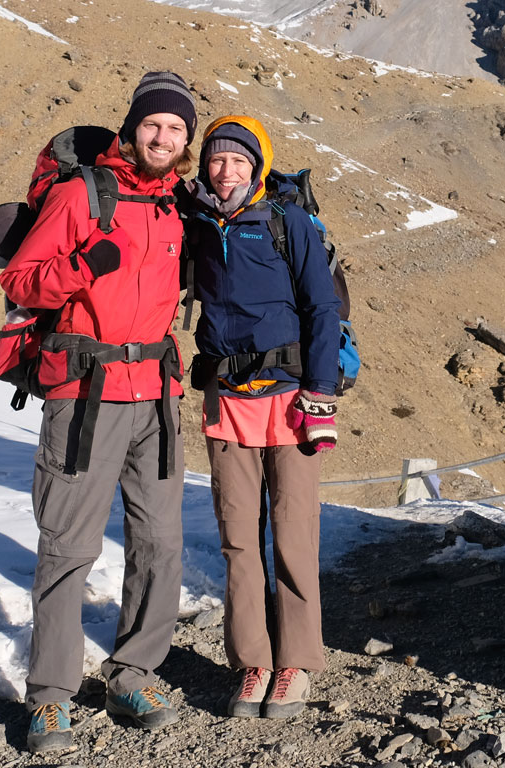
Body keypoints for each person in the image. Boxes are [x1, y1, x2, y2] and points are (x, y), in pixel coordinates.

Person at [0, 71, 197, 754]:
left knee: (161, 543)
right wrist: (82, 266)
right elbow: (21, 279)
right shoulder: (82, 194)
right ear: (132, 128)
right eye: (154, 125)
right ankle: (50, 696)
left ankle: (134, 672)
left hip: (157, 396)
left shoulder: (177, 206)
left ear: (186, 142)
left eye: (176, 129)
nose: (163, 137)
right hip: (85, 392)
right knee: (69, 547)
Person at [178, 115, 342, 720]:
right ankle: (253, 662)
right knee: (237, 539)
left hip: (292, 400)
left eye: (239, 161)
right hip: (227, 401)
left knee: (294, 533)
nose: (227, 171)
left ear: (258, 167)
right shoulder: (196, 223)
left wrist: (322, 392)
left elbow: (323, 307)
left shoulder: (285, 221)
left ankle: (295, 661)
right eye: (217, 161)